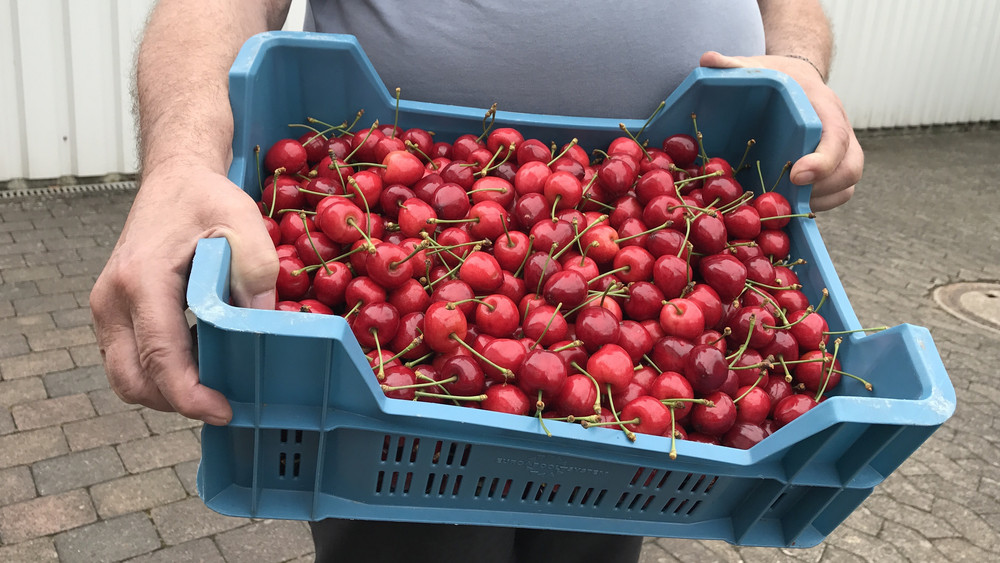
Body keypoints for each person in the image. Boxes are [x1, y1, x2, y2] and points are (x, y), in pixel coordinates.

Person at [90, 1, 863, 561]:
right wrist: (182, 158)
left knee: (601, 508)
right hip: (389, 395)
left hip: (642, 338)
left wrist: (796, 55)